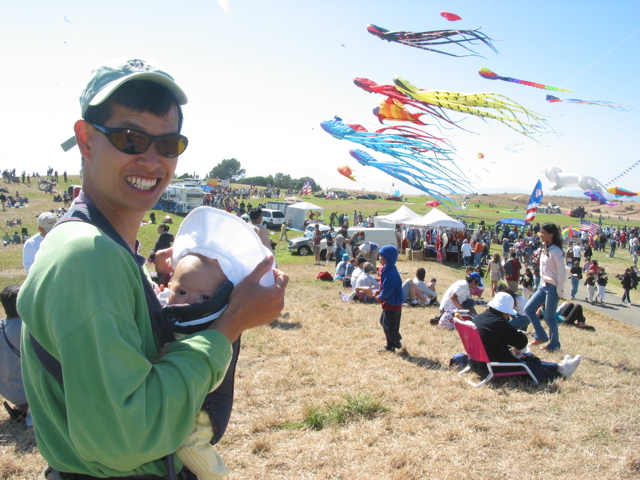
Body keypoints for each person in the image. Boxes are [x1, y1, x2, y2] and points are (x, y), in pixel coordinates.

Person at [17, 58, 288, 479]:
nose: (151, 160)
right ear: (86, 140)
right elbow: (128, 438)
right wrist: (230, 324)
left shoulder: (98, 247)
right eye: (130, 138)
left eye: (168, 145)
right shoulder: (88, 257)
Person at [470, 292, 582, 383]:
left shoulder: (480, 318)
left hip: (476, 362)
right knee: (528, 365)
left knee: (525, 357)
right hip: (491, 366)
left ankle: (559, 367)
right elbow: (522, 342)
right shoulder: (499, 323)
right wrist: (517, 332)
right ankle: (559, 373)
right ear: (505, 311)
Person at [524, 223, 566, 351]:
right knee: (529, 309)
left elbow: (562, 272)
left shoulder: (556, 251)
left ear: (551, 235)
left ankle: (554, 344)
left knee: (549, 317)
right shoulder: (545, 249)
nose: (540, 235)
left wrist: (559, 290)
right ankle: (541, 335)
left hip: (552, 288)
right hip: (543, 285)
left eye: (543, 232)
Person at [0, 285, 29, 423]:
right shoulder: (27, 329)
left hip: (7, 391)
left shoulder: (2, 326)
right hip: (27, 393)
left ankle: (22, 409)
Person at [376, 245, 404, 352]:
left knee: (389, 324)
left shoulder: (390, 272)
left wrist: (381, 296)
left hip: (393, 302)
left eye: (381, 256)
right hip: (389, 302)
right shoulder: (386, 269)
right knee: (384, 322)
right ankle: (395, 339)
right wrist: (380, 291)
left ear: (386, 258)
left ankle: (392, 345)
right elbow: (384, 285)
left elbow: (389, 289)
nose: (379, 258)